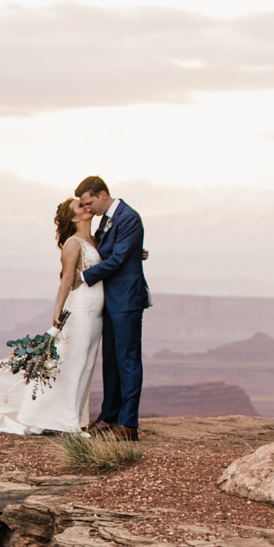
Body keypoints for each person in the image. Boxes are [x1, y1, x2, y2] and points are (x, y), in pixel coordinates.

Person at [0, 199, 102, 434]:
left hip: (96, 312)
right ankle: (60, 421)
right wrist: (57, 311)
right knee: (71, 362)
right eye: (80, 206)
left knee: (85, 363)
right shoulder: (73, 244)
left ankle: (70, 416)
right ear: (74, 218)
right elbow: (66, 279)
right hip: (81, 310)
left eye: (86, 203)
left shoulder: (94, 240)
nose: (86, 206)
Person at [73, 175, 150, 438]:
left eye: (89, 202)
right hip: (109, 299)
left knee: (128, 359)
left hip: (127, 300)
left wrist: (83, 277)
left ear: (103, 194)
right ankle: (109, 415)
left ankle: (128, 424)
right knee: (111, 362)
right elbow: (113, 251)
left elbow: (117, 259)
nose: (88, 208)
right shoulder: (106, 220)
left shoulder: (129, 217)